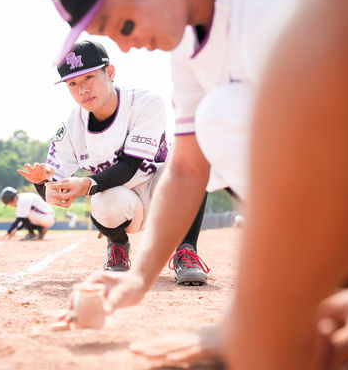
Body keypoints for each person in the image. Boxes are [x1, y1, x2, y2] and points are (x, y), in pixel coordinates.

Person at [40, 0, 348, 313]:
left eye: (122, 24)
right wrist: (140, 279)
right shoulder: (186, 50)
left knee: (226, 115)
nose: (126, 45)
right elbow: (189, 168)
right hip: (342, 196)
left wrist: (262, 323)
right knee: (217, 119)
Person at [18, 40, 209, 280]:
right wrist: (42, 182)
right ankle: (118, 245)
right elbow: (54, 189)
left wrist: (84, 185)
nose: (82, 90)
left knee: (197, 155)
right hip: (123, 204)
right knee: (103, 199)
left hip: (162, 192)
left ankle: (186, 251)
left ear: (110, 72)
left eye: (89, 78)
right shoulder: (72, 125)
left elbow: (129, 166)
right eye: (73, 83)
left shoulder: (146, 103)